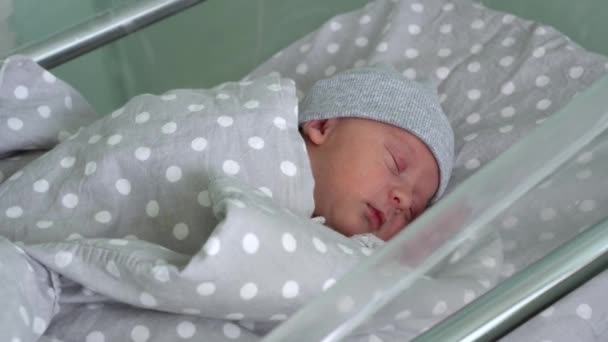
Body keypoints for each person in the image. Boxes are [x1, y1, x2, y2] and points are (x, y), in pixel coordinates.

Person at [298, 64, 455, 241]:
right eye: (396, 164)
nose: (404, 200)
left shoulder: (354, 259)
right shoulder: (266, 134)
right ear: (322, 125)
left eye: (412, 212)